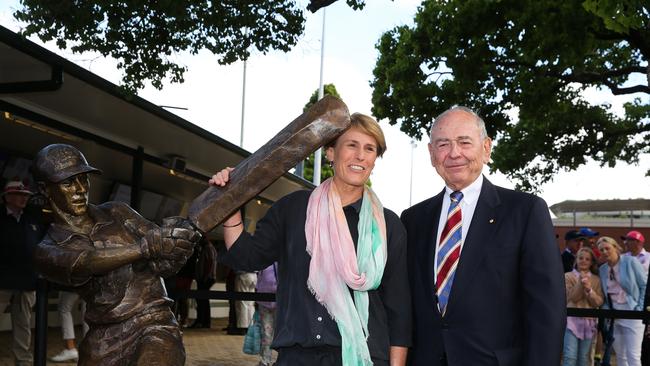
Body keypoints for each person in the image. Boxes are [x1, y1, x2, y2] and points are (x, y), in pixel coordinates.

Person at [210, 113, 411, 366]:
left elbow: (398, 307)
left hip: (366, 357)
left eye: (369, 149)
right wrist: (230, 201)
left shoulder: (388, 226)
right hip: (297, 356)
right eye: (351, 145)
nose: (361, 155)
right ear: (330, 152)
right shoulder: (293, 210)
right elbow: (246, 256)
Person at [401, 106, 566, 365]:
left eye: (464, 142)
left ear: (486, 148)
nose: (454, 153)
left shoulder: (525, 211)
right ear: (432, 154)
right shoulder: (413, 219)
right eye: (443, 144)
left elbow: (546, 310)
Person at [31, 143, 200, 366]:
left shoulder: (118, 212)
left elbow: (164, 264)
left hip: (153, 323)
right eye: (68, 182)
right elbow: (86, 261)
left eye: (84, 179)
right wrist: (144, 248)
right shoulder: (47, 249)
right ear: (45, 189)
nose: (81, 189)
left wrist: (178, 244)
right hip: (103, 337)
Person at [0, 179, 46, 366]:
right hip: (1, 282)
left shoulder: (32, 219)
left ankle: (23, 362)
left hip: (27, 282)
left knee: (23, 325)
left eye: (26, 195)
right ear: (8, 197)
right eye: (19, 195)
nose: (24, 199)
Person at [598, 236, 647, 366]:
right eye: (601, 250)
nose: (604, 252)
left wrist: (639, 308)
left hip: (632, 312)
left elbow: (644, 285)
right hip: (613, 315)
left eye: (607, 248)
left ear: (615, 247)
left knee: (633, 355)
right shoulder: (602, 269)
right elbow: (604, 294)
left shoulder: (630, 261)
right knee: (621, 356)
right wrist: (607, 312)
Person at [562, 247, 604, 366]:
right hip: (571, 322)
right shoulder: (568, 276)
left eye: (587, 259)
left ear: (591, 262)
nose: (583, 261)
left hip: (589, 323)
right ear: (576, 260)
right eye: (580, 258)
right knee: (570, 356)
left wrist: (589, 290)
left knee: (583, 358)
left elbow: (598, 302)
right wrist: (581, 282)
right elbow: (571, 298)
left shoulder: (596, 280)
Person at [49, 291, 89, 362]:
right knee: (87, 309)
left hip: (76, 281)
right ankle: (88, 350)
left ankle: (70, 348)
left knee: (64, 308)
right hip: (94, 281)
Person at [256, 262, 278, 366]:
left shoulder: (264, 261)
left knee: (267, 333)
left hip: (267, 301)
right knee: (269, 333)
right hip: (274, 302)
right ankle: (267, 360)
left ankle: (265, 360)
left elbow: (259, 282)